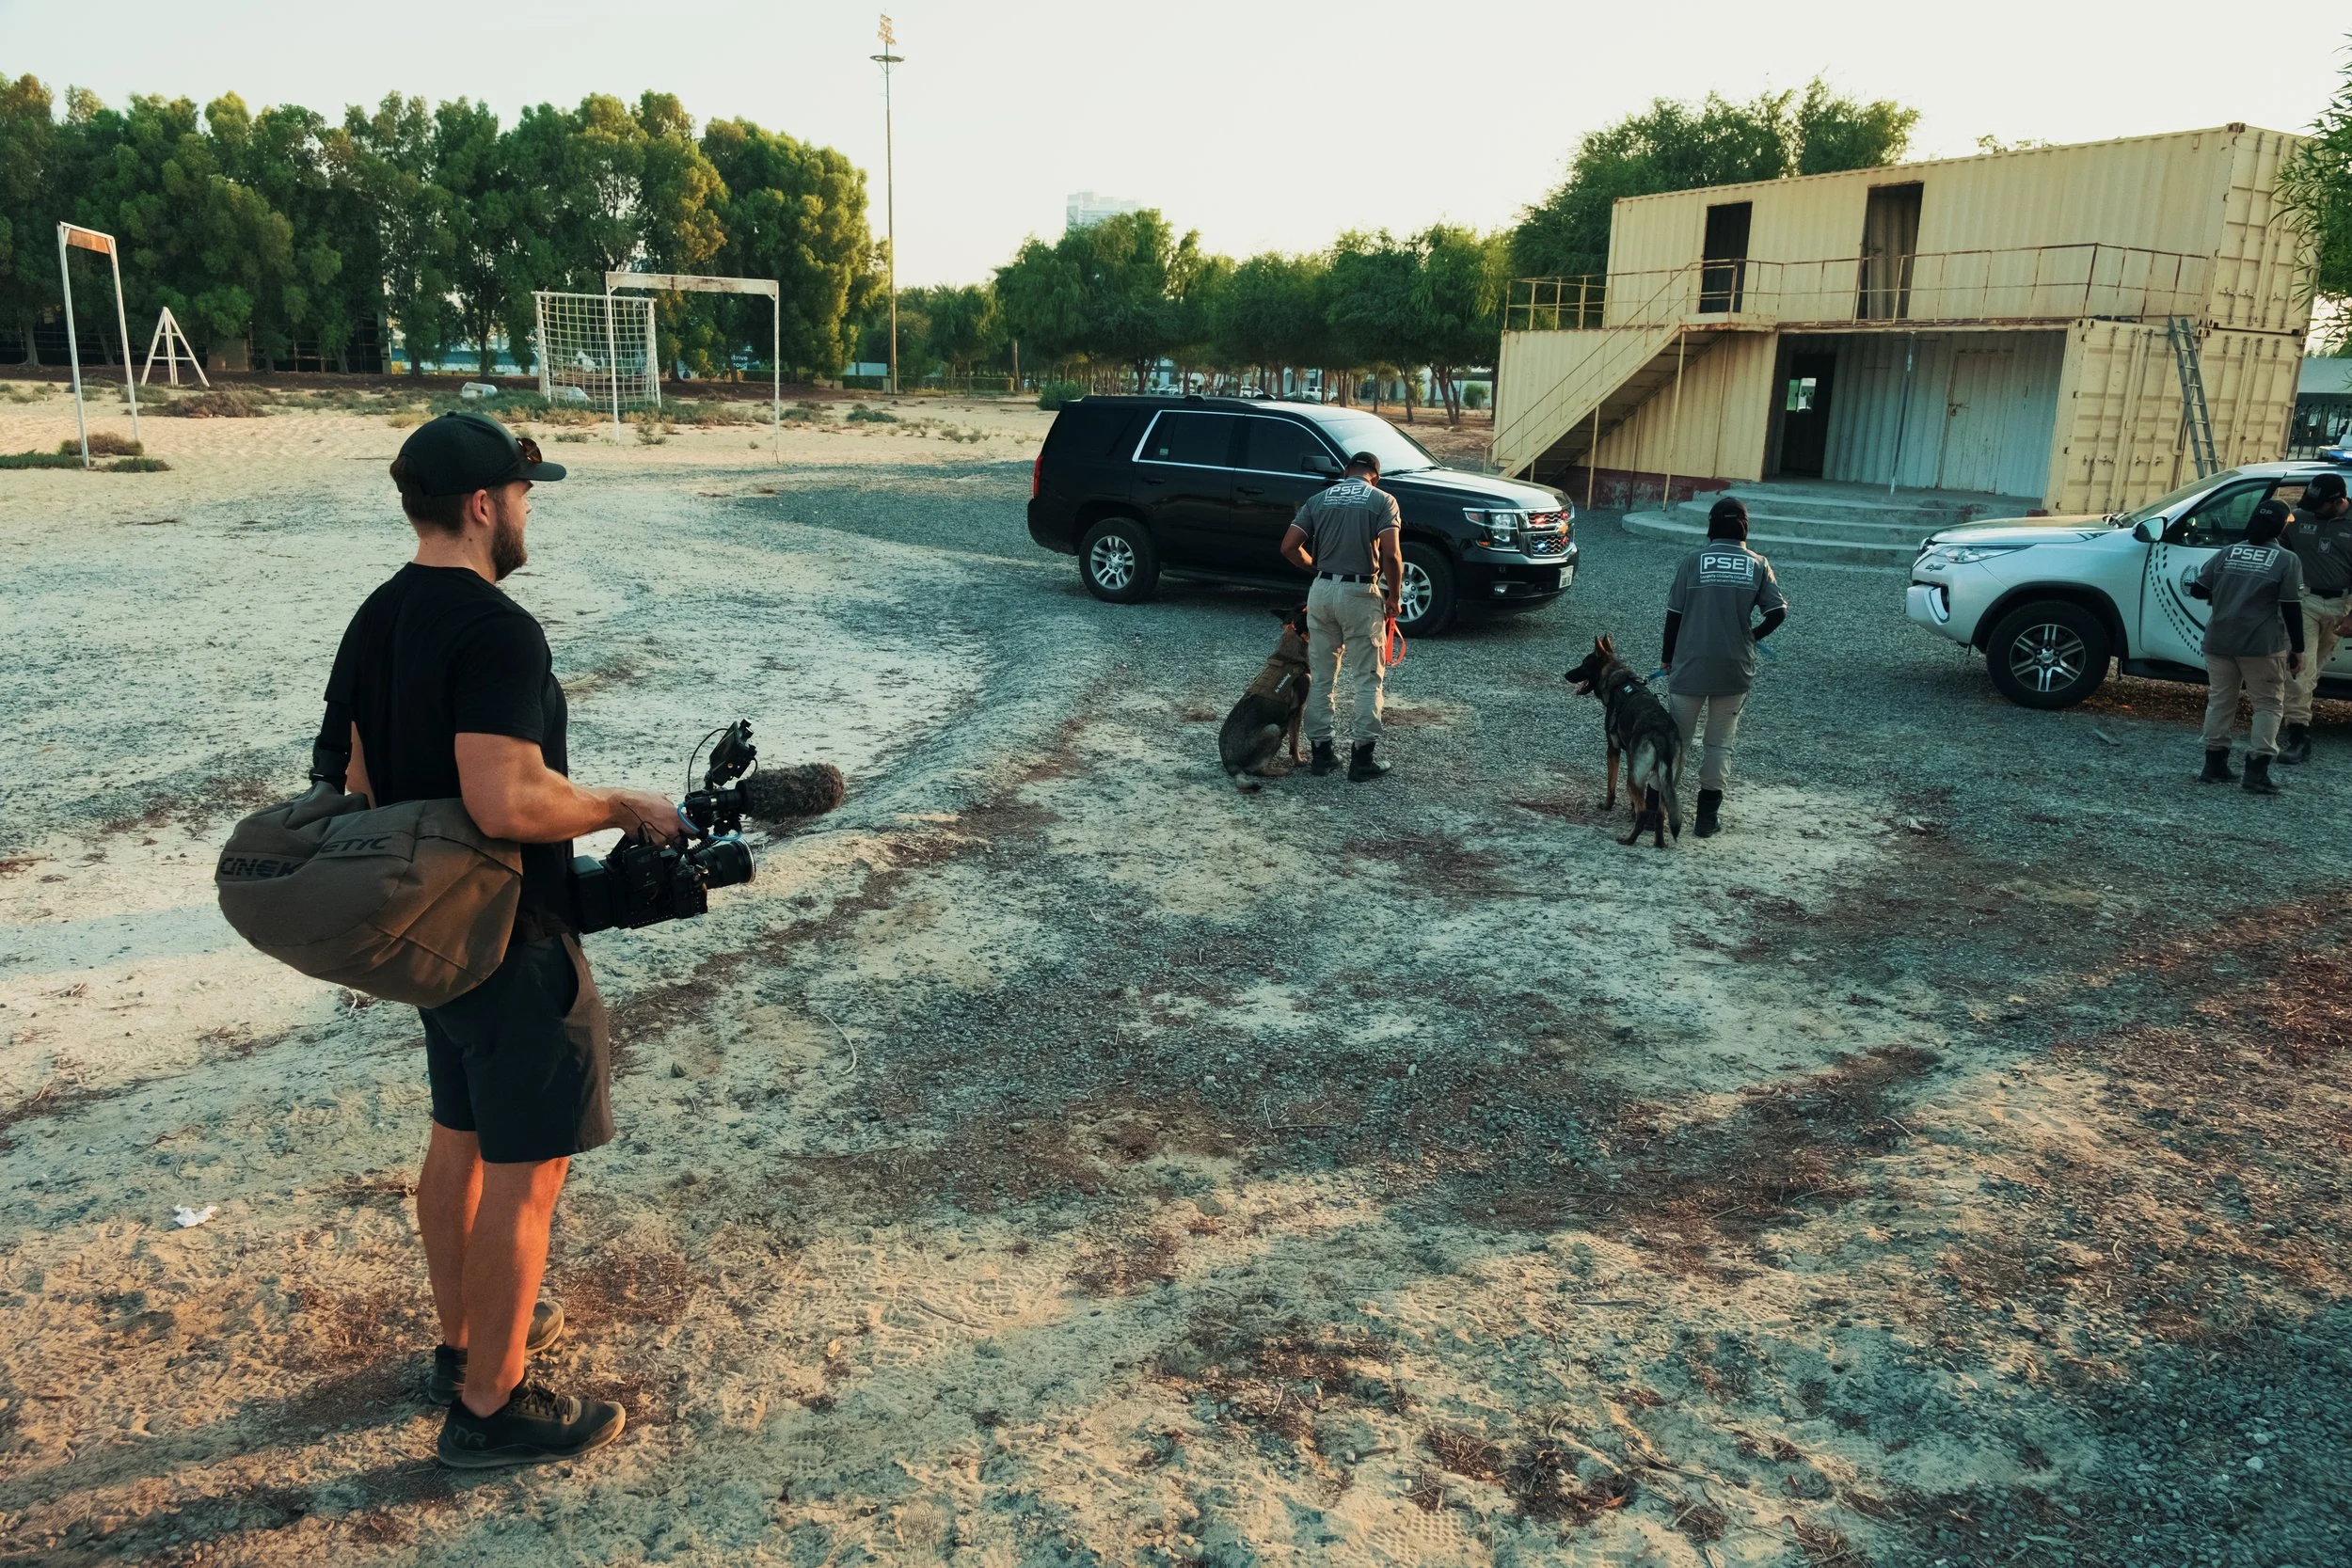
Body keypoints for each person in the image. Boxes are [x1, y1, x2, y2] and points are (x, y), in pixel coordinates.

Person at [317, 411, 680, 1467]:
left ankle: (465, 1339)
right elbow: (504, 794)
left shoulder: (376, 615)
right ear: (483, 505)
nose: (528, 511)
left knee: (458, 1142)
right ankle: (491, 1403)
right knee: (527, 1174)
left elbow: (356, 782)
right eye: (523, 495)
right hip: (509, 939)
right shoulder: (497, 629)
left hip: (431, 933)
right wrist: (619, 805)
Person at [1661, 496, 1788, 838]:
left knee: (1676, 741)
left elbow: (1675, 615)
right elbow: (1778, 612)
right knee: (1719, 744)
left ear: (1711, 526)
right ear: (1745, 526)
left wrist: (1666, 658)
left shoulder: (1693, 561)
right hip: (1735, 670)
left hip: (1689, 666)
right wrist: (1751, 635)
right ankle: (1706, 819)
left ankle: (1657, 810)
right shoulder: (1759, 564)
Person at [1279, 450, 1405, 782]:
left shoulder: (1319, 499)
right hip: (1360, 593)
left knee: (1322, 676)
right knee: (1367, 678)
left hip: (1321, 592)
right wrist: (1394, 595)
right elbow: (1391, 554)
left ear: (1347, 471)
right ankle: (1362, 760)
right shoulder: (1383, 500)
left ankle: (1322, 755)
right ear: (1374, 476)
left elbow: (1289, 546)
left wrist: (1315, 568)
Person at [2191, 498, 2304, 794]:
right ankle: (2257, 771)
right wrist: (2299, 649)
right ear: (2279, 528)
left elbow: (2198, 588)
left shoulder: (2227, 552)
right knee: (2267, 704)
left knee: (2220, 701)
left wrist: (2228, 594)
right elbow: (2291, 607)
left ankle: (2213, 765)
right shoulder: (2286, 560)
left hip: (2218, 640)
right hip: (2261, 644)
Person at [2278, 470, 2352, 765]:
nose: (2310, 510)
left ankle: (2295, 720)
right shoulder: (2299, 518)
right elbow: (2277, 542)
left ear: (2338, 501)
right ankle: (2298, 733)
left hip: (2341, 603)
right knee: (2299, 666)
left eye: (2318, 505)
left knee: (2313, 667)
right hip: (2304, 599)